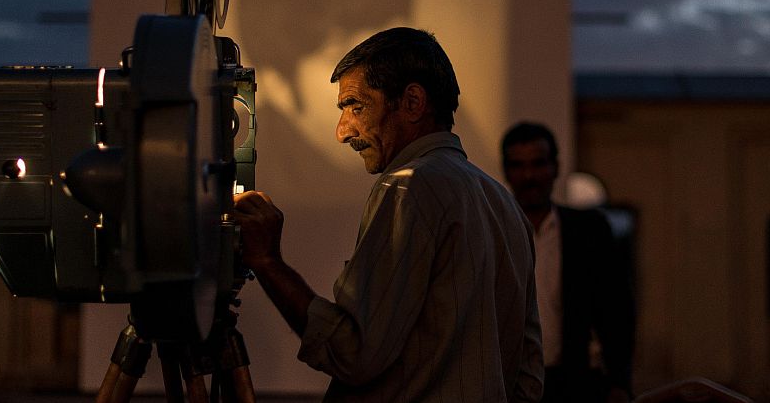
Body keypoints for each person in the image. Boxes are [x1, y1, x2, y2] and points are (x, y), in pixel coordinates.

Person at [232, 27, 544, 402]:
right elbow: (528, 376)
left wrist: (267, 261)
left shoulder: (407, 187)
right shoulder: (504, 203)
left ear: (412, 102)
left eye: (356, 106)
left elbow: (353, 353)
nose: (342, 132)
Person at [501, 122, 636, 403]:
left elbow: (616, 309)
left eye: (538, 164)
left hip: (574, 382)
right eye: (519, 165)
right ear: (507, 171)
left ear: (555, 167)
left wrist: (619, 381)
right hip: (509, 382)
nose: (529, 176)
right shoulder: (495, 231)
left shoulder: (589, 231)